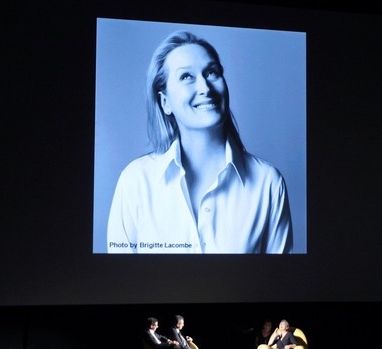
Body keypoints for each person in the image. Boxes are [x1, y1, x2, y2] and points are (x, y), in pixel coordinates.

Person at [107, 30, 293, 254]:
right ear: (165, 103)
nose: (205, 88)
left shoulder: (268, 183)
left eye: (212, 72)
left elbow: (278, 284)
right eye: (186, 77)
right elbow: (121, 283)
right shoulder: (135, 181)